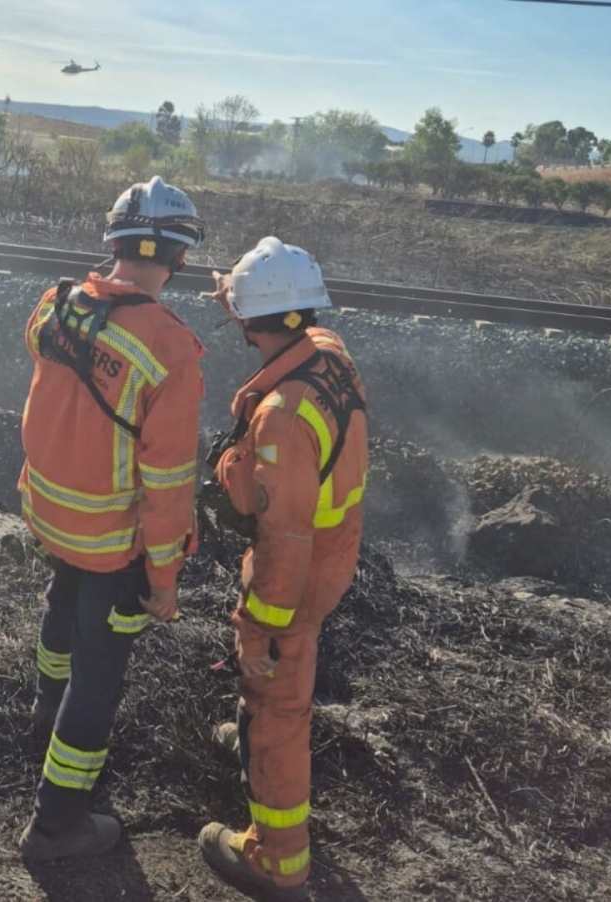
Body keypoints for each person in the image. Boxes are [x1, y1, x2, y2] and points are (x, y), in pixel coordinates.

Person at [16, 176, 207, 860]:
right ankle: (56, 823)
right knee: (98, 679)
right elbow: (167, 480)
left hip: (51, 513)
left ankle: (44, 713)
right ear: (180, 257)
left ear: (115, 240)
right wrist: (164, 577)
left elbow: (50, 375)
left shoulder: (56, 303)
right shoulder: (170, 348)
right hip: (112, 540)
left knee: (58, 609)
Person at [198, 237, 368, 901]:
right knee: (269, 689)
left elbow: (286, 535)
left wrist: (264, 628)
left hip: (295, 575)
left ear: (247, 321)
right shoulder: (327, 351)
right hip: (329, 551)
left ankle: (277, 860)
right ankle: (249, 726)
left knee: (279, 700)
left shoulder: (283, 419)